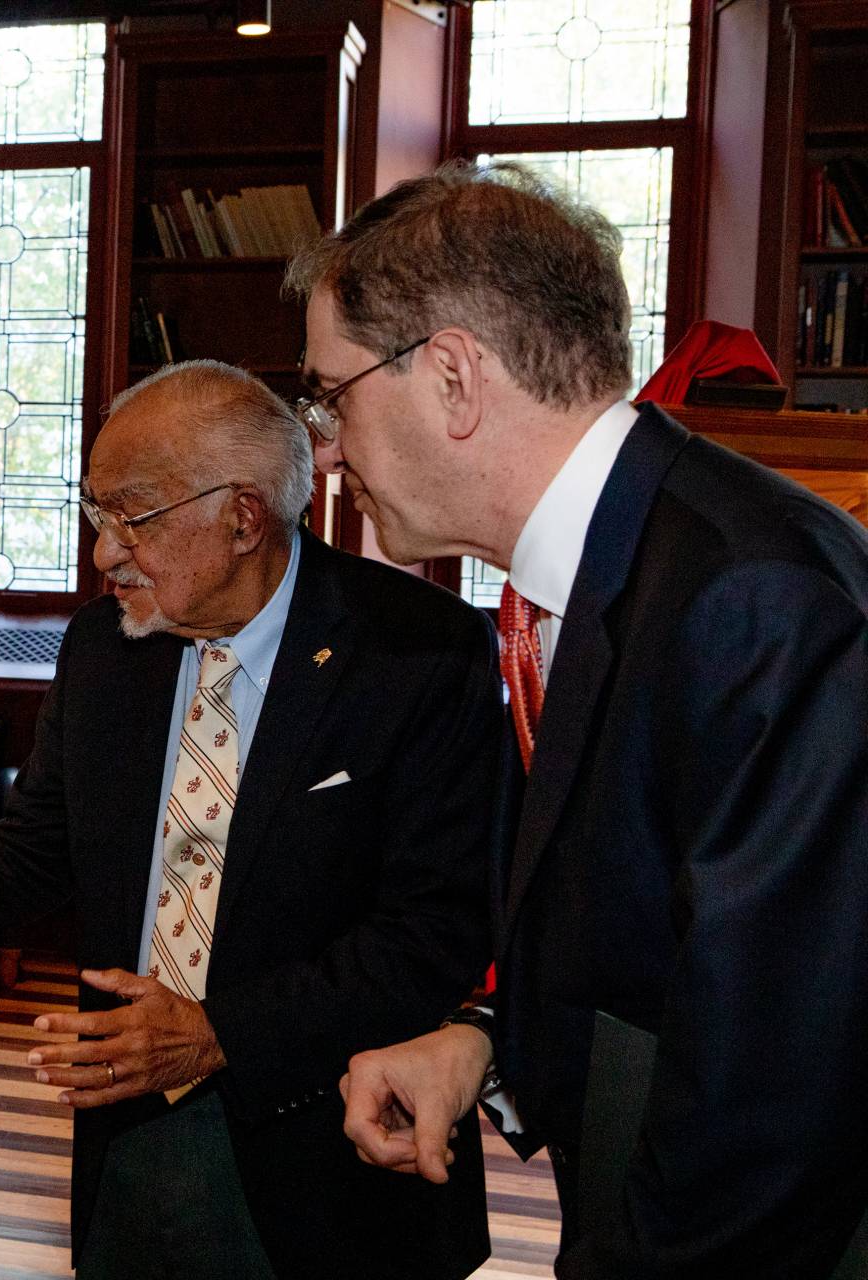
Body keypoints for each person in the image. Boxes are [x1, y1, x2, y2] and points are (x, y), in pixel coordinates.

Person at [0, 361, 500, 1279]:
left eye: (130, 517)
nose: (103, 553)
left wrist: (222, 1030)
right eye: (95, 513)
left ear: (243, 515)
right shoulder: (107, 649)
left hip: (335, 1145)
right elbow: (34, 853)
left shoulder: (419, 653)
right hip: (132, 1121)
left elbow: (437, 931)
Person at [296, 163, 868, 1277]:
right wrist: (484, 1048)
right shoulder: (567, 581)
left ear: (453, 377)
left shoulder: (756, 597)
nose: (325, 447)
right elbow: (633, 930)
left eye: (333, 393)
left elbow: (778, 1084)